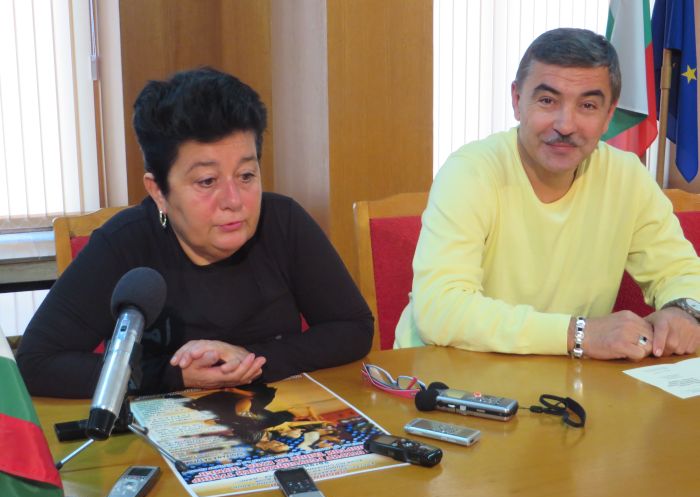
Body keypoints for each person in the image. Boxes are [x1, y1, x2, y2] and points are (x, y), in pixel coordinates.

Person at [17, 67, 373, 397]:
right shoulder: (124, 243)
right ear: (159, 191)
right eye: (207, 181)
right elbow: (37, 363)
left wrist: (248, 360)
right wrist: (172, 376)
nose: (234, 201)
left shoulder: (283, 223)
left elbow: (353, 327)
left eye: (246, 175)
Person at [395, 28, 700, 361]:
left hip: (562, 377)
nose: (565, 125)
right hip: (444, 374)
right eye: (547, 101)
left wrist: (683, 311)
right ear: (517, 101)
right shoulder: (470, 171)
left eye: (587, 105)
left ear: (609, 115)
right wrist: (578, 333)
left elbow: (681, 273)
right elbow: (440, 309)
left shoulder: (626, 176)